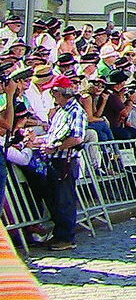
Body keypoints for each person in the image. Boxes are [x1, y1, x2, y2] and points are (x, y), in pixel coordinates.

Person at [40, 76, 87, 251]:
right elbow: (52, 135)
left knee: (64, 199)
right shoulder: (61, 111)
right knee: (55, 199)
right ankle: (59, 234)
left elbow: (76, 138)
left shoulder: (76, 111)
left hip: (65, 161)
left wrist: (54, 148)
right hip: (54, 160)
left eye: (54, 92)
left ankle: (66, 237)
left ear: (61, 93)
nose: (52, 95)